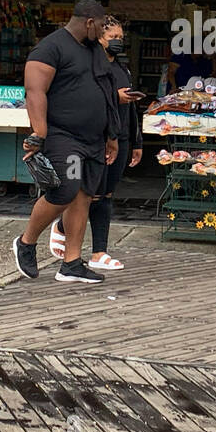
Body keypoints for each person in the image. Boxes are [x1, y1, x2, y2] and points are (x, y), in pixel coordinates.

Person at [13, 0, 121, 285]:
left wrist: (112, 135)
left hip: (94, 138)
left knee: (84, 194)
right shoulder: (51, 47)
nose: (101, 32)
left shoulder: (94, 50)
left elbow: (107, 90)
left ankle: (71, 263)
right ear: (88, 21)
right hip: (64, 137)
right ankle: (26, 242)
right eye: (100, 26)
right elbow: (35, 91)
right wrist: (39, 132)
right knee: (66, 188)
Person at [50, 15, 144, 271]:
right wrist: (115, 97)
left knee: (106, 195)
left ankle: (99, 252)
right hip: (96, 138)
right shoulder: (90, 66)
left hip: (121, 136)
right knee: (89, 194)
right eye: (112, 38)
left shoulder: (122, 68)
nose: (117, 42)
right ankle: (63, 229)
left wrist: (137, 141)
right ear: (98, 38)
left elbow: (131, 109)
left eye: (120, 38)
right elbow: (82, 99)